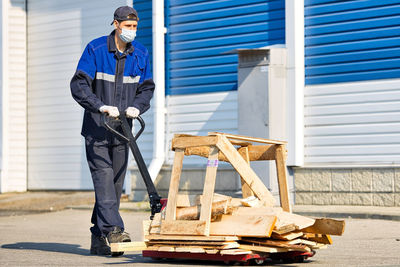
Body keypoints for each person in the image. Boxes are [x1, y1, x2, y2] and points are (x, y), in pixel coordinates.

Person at [70, 6, 155, 256]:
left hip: (123, 131)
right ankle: (114, 230)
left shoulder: (140, 54)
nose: (132, 31)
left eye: (135, 27)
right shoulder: (96, 49)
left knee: (115, 186)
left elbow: (146, 88)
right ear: (116, 24)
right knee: (104, 180)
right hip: (97, 129)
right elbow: (79, 84)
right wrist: (100, 106)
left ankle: (99, 238)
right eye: (128, 26)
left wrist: (137, 108)